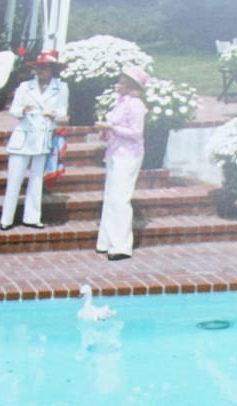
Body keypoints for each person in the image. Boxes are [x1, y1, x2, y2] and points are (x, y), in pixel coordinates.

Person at [0, 49, 68, 231]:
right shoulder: (25, 86)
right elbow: (13, 110)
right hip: (23, 136)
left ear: (53, 69)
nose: (41, 71)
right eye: (39, 67)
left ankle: (32, 217)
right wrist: (23, 110)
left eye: (45, 67)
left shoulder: (61, 87)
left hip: (43, 137)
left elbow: (63, 114)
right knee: (14, 179)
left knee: (36, 180)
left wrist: (54, 114)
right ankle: (6, 219)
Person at [94, 66, 147, 261]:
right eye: (120, 81)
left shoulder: (136, 105)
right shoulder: (121, 102)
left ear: (132, 86)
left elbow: (136, 133)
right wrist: (105, 130)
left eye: (123, 82)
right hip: (115, 153)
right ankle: (107, 241)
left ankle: (122, 245)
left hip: (129, 155)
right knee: (110, 196)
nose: (119, 85)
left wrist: (111, 127)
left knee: (120, 198)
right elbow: (116, 127)